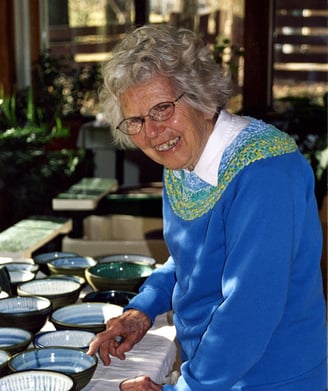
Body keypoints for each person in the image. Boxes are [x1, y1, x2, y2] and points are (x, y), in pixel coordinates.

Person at [87, 24, 327, 390]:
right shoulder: (183, 159)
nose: (152, 132)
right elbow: (189, 261)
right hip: (216, 372)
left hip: (272, 378)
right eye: (135, 120)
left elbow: (249, 308)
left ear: (200, 95)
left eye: (163, 109)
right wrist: (143, 310)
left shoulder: (265, 171)